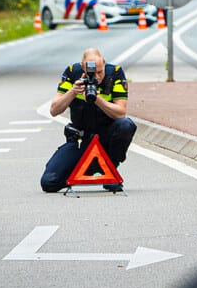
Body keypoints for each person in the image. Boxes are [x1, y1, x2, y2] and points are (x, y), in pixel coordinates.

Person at [40, 48, 136, 193]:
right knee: (49, 182)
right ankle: (86, 170)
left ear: (104, 63)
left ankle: (109, 168)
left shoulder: (115, 73)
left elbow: (121, 113)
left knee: (126, 125)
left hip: (105, 137)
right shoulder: (72, 72)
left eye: (99, 72)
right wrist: (72, 92)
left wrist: (97, 99)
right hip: (81, 140)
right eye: (91, 73)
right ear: (82, 67)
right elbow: (54, 110)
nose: (96, 77)